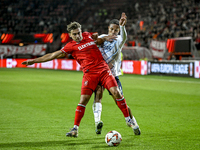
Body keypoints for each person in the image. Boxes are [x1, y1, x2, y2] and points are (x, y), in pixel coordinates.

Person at [22, 18, 137, 138]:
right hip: (89, 74)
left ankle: (128, 119)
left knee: (116, 92)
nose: (78, 36)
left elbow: (97, 40)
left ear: (81, 31)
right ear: (70, 35)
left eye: (79, 33)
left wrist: (104, 38)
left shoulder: (87, 36)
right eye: (75, 34)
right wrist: (33, 61)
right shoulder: (70, 46)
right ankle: (75, 129)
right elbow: (52, 55)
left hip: (103, 70)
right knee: (83, 101)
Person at [92, 13, 141, 135]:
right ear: (108, 29)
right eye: (111, 29)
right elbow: (93, 44)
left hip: (112, 76)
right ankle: (97, 121)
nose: (114, 31)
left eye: (116, 30)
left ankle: (132, 122)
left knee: (120, 100)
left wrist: (123, 27)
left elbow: (124, 37)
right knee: (98, 95)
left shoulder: (119, 39)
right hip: (100, 74)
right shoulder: (103, 37)